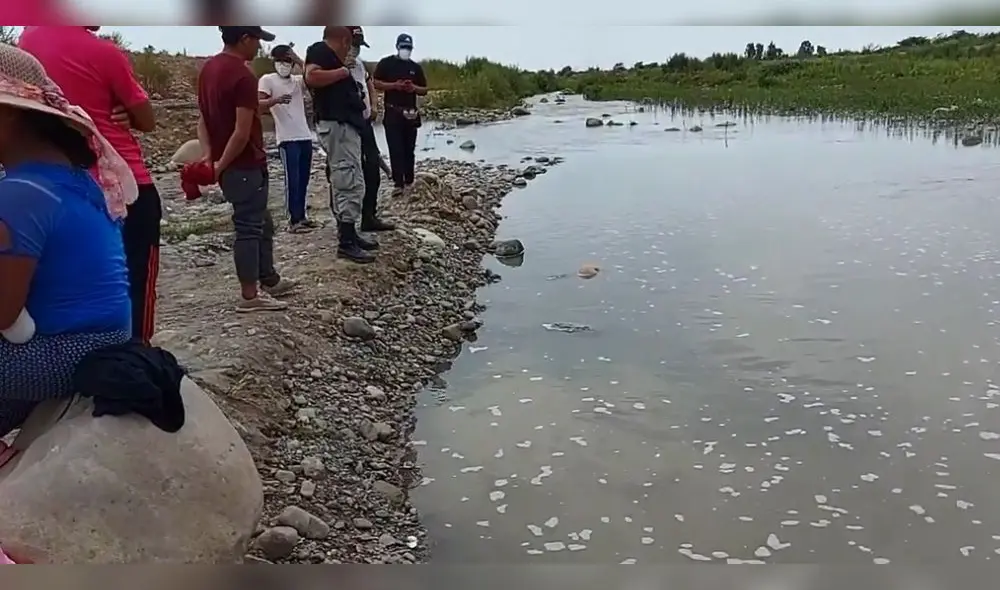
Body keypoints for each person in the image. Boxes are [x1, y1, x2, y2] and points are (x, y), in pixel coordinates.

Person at [0, 43, 135, 437]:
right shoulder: (74, 179)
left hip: (60, 353)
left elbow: (4, 314)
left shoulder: (19, 192)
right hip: (103, 339)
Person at [19, 26, 162, 344]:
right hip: (124, 181)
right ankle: (135, 355)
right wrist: (124, 111)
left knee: (69, 279)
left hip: (58, 180)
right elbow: (147, 120)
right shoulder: (104, 52)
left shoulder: (29, 38)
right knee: (135, 278)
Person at [197, 26, 298, 312]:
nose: (259, 48)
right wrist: (220, 166)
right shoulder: (242, 75)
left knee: (262, 222)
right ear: (244, 39)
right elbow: (241, 132)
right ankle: (250, 295)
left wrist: (209, 157)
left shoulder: (209, 69)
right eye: (257, 41)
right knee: (249, 228)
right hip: (243, 165)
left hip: (228, 164)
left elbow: (202, 119)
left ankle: (269, 278)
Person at [305, 26, 376, 263]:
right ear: (345, 39)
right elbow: (311, 76)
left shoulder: (333, 58)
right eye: (350, 44)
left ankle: (350, 234)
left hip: (346, 126)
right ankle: (346, 241)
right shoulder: (321, 51)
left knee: (353, 178)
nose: (350, 50)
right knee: (347, 181)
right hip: (337, 126)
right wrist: (342, 74)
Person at [258, 44, 316, 233]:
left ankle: (302, 216)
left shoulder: (298, 81)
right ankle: (293, 220)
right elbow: (258, 104)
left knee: (304, 179)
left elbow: (312, 77)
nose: (283, 65)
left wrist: (299, 59)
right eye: (280, 61)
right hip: (287, 138)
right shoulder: (267, 80)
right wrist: (275, 101)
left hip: (304, 135)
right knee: (293, 179)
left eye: (287, 61)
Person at [347, 26, 396, 232]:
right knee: (347, 175)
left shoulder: (359, 65)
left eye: (358, 46)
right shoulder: (330, 63)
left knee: (372, 168)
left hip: (364, 122)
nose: (355, 50)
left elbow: (370, 85)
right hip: (345, 125)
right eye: (353, 45)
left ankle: (369, 217)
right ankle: (346, 226)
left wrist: (375, 106)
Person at [374, 33, 428, 196]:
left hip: (410, 112)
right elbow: (375, 83)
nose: (406, 50)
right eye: (404, 47)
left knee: (409, 148)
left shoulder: (415, 67)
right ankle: (398, 183)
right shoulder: (386, 63)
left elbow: (424, 89)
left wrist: (413, 88)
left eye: (409, 48)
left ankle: (409, 180)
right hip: (392, 111)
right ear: (397, 47)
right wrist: (394, 86)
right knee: (395, 147)